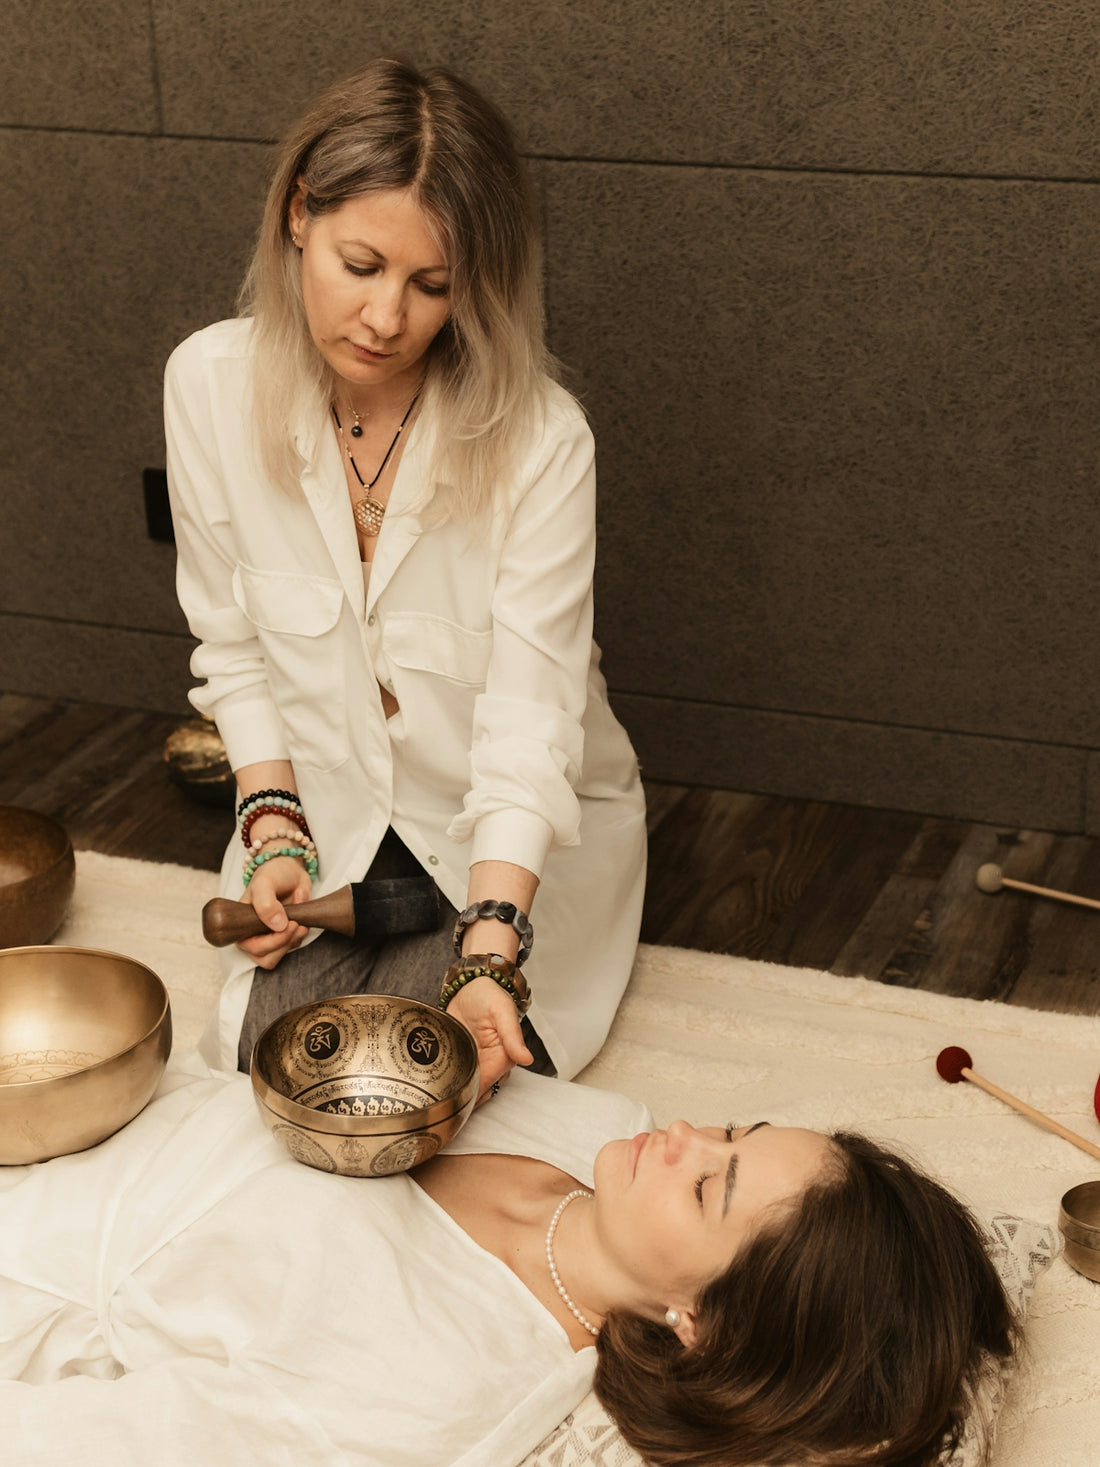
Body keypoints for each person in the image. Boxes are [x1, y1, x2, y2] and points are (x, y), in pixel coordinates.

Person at [164, 57, 647, 1086]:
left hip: (503, 837)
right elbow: (233, 651)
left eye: (432, 286)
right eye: (361, 265)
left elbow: (528, 728)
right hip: (326, 813)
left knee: (434, 1077)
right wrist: (273, 829)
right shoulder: (206, 384)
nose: (386, 318)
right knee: (268, 1066)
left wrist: (492, 950)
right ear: (299, 214)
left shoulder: (544, 443)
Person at [0, 1057, 1015, 1467]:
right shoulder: (593, 1122)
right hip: (98, 1082)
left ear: (698, 1321)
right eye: (730, 1131)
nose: (685, 1138)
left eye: (710, 1187)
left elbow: (104, 1444)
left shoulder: (443, 1382)